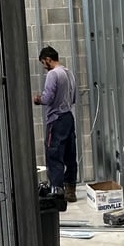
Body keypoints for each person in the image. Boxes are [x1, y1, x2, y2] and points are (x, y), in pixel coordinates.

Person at [33, 46, 78, 202]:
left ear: (48, 59)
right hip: (68, 117)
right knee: (70, 155)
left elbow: (48, 98)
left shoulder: (53, 74)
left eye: (43, 63)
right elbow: (73, 98)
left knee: (54, 155)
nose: (44, 67)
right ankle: (70, 190)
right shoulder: (69, 73)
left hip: (56, 120)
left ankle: (57, 191)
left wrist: (38, 99)